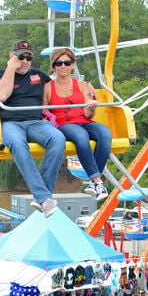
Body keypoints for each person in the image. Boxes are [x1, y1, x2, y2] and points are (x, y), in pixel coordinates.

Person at [0, 40, 65, 216]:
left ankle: (42, 197)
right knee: (17, 143)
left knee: (58, 138)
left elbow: (60, 91)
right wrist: (10, 68)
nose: (24, 61)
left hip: (35, 121)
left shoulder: (39, 76)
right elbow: (0, 95)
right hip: (11, 122)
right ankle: (45, 197)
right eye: (20, 57)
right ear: (12, 56)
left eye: (28, 57)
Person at [41, 47, 112, 201]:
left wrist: (92, 107)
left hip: (84, 120)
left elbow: (88, 113)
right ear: (53, 66)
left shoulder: (81, 85)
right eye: (59, 63)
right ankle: (98, 181)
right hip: (64, 123)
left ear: (72, 65)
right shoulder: (48, 88)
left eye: (67, 63)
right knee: (81, 136)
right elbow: (45, 112)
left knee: (105, 134)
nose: (63, 67)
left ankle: (94, 183)